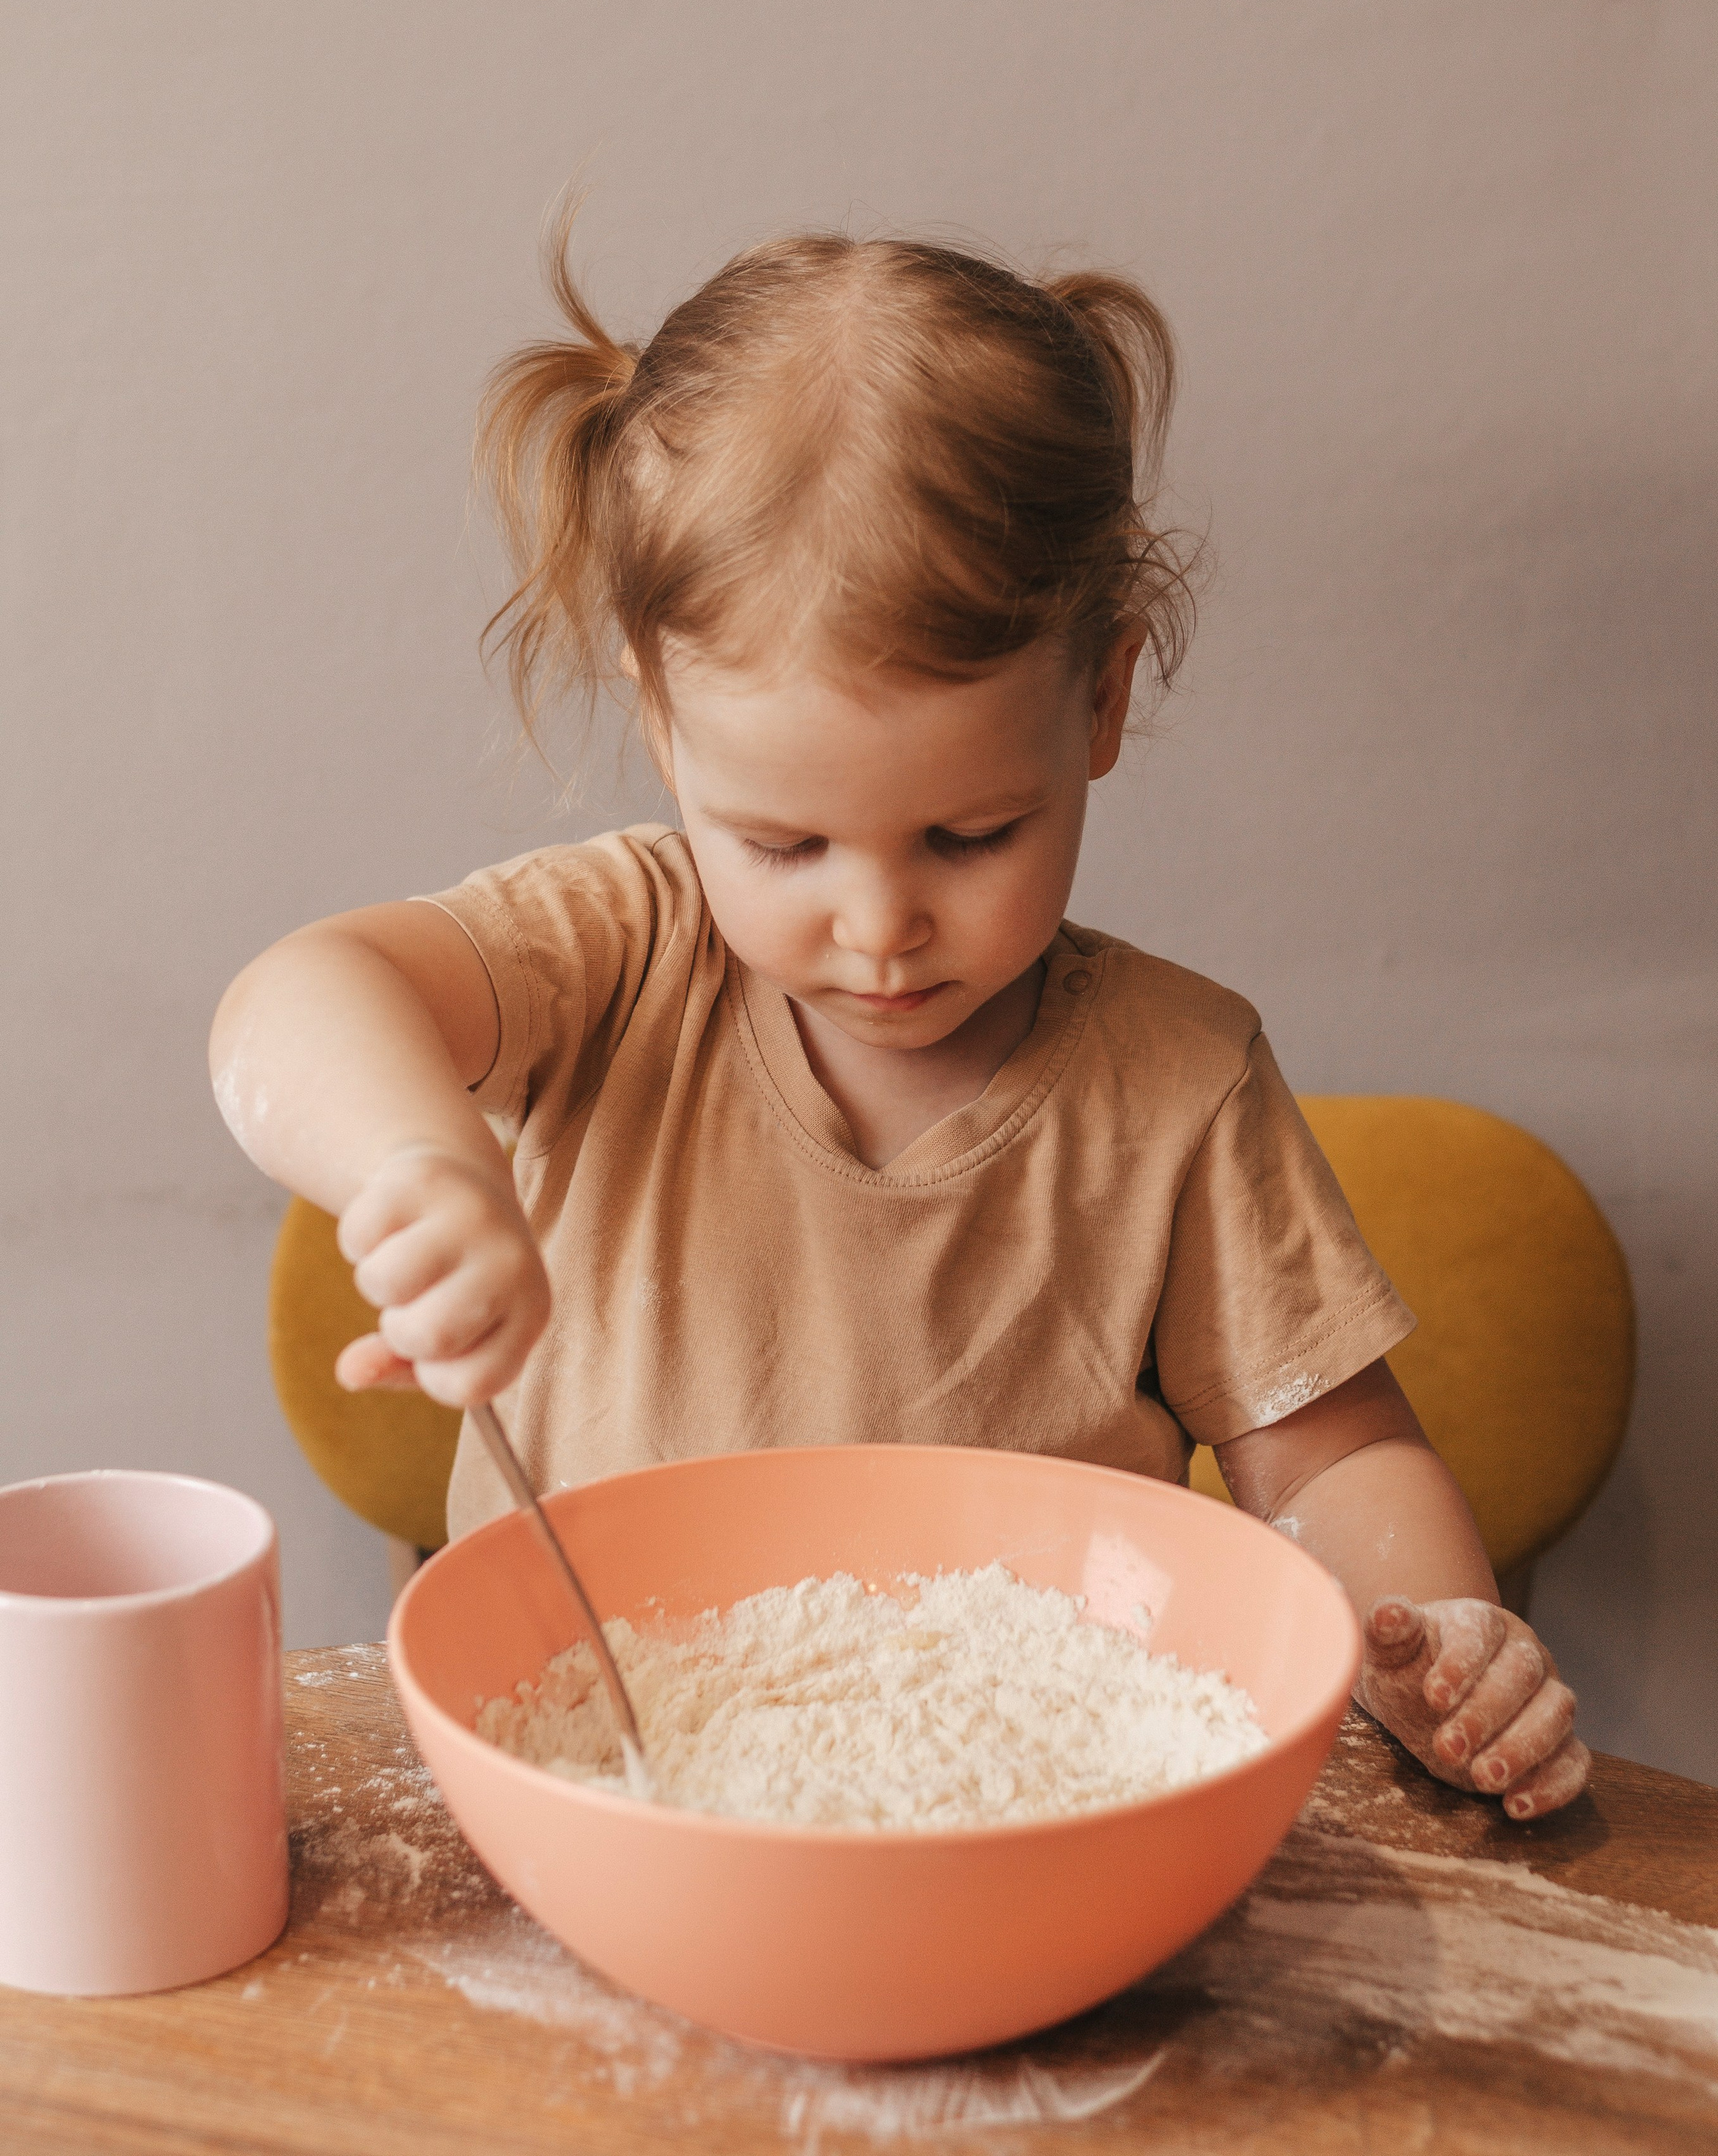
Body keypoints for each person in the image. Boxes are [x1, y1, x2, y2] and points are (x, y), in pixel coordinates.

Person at [211, 217, 1588, 1821]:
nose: (877, 927)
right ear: (664, 726)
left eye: (968, 835)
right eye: (781, 844)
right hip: (601, 1797)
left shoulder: (1177, 1082)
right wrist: (420, 1162)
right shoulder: (617, 954)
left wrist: (1437, 1639)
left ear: (1101, 702)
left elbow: (1331, 1461)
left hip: (1027, 1820)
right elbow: (295, 999)